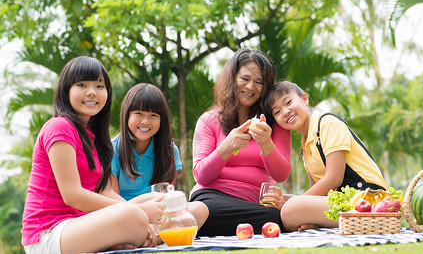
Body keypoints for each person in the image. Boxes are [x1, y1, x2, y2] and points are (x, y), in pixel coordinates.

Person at [21, 56, 164, 254]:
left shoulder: (96, 139)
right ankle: (134, 234)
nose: (91, 92)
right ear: (66, 90)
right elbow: (72, 195)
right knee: (135, 216)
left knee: (164, 204)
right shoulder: (59, 127)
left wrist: (137, 211)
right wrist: (137, 214)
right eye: (82, 84)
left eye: (99, 86)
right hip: (48, 234)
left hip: (80, 224)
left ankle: (126, 237)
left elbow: (105, 192)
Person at [189, 48, 292, 236]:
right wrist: (227, 146)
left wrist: (266, 143)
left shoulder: (276, 124)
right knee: (204, 209)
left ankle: (208, 226)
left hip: (255, 204)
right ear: (232, 79)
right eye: (245, 79)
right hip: (212, 198)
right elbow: (201, 176)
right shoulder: (209, 120)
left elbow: (282, 174)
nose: (251, 87)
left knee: (278, 218)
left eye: (259, 82)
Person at [263, 81, 388, 231]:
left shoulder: (327, 123)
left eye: (288, 102)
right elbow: (316, 193)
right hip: (345, 201)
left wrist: (293, 204)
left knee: (290, 209)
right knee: (285, 203)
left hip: (369, 198)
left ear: (304, 99)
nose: (285, 112)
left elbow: (334, 178)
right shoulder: (306, 145)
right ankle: (321, 223)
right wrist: (285, 201)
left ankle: (369, 220)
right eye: (277, 112)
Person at [111, 83, 208, 228]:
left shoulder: (169, 151)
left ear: (162, 120)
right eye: (139, 113)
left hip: (157, 218)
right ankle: (149, 237)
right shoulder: (112, 149)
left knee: (200, 209)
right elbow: (113, 204)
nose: (145, 121)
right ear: (127, 115)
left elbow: (166, 199)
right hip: (123, 216)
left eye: (153, 115)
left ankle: (146, 237)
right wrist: (141, 211)